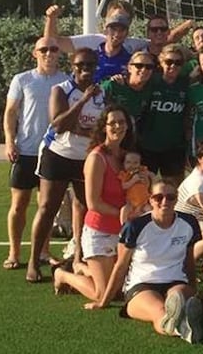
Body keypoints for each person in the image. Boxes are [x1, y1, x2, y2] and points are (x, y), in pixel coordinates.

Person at [87, 179, 203, 344]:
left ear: (177, 199)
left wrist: (193, 288)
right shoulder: (136, 226)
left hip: (176, 280)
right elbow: (120, 266)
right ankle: (182, 328)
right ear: (150, 199)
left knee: (178, 296)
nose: (165, 202)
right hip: (142, 284)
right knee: (160, 311)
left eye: (170, 197)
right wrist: (103, 301)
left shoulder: (188, 222)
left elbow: (189, 259)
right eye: (158, 197)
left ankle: (184, 315)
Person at [26, 47, 105, 283]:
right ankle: (33, 260)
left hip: (86, 158)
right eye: (80, 65)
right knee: (48, 207)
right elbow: (59, 124)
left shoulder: (102, 93)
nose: (85, 69)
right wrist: (83, 100)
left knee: (87, 207)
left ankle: (80, 256)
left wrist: (82, 128)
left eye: (90, 65)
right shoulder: (61, 90)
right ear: (72, 66)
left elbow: (102, 128)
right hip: (57, 154)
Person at [53, 105, 135, 305]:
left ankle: (82, 267)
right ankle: (62, 275)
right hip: (100, 231)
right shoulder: (96, 158)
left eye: (122, 122)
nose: (118, 126)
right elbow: (93, 203)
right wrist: (122, 214)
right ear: (104, 128)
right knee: (102, 294)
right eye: (112, 123)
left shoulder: (128, 157)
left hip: (123, 232)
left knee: (120, 291)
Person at [3, 37, 67, 271]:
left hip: (52, 152)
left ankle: (43, 251)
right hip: (26, 151)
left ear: (59, 53)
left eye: (53, 49)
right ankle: (14, 253)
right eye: (44, 49)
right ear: (35, 53)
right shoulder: (22, 79)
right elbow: (10, 112)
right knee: (19, 205)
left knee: (46, 206)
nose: (49, 53)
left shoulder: (66, 81)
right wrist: (10, 141)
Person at [43, 3, 144, 82]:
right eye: (115, 19)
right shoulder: (93, 41)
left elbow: (157, 45)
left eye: (124, 20)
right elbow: (53, 42)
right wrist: (51, 18)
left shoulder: (136, 46)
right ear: (106, 24)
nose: (117, 33)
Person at [138, 44, 189, 181]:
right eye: (169, 62)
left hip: (174, 147)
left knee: (173, 190)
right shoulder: (151, 80)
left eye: (178, 63)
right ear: (161, 62)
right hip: (148, 146)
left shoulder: (186, 84)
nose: (173, 66)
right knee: (144, 189)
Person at [100, 50, 155, 128]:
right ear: (129, 68)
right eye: (139, 66)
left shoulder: (149, 90)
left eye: (149, 67)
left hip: (130, 134)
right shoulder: (114, 85)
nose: (144, 70)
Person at [118, 150, 152, 224]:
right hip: (130, 202)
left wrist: (146, 179)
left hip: (143, 202)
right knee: (124, 210)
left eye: (135, 163)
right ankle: (124, 227)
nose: (132, 165)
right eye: (128, 162)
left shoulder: (142, 172)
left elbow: (148, 184)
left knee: (150, 211)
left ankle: (149, 227)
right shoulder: (125, 174)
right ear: (123, 163)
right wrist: (133, 180)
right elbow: (123, 186)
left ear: (140, 164)